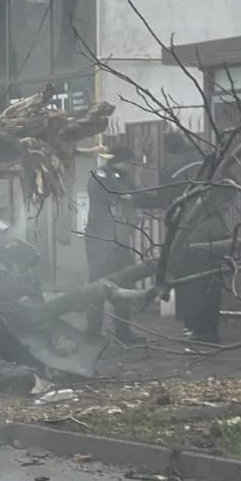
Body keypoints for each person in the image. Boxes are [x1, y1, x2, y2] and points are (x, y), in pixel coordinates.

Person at [158, 133, 227, 343]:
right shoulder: (207, 159)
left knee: (191, 282)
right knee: (214, 280)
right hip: (216, 229)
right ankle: (211, 328)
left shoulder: (171, 166)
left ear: (169, 148)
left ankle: (196, 328)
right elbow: (227, 190)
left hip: (189, 232)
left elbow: (166, 201)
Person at [85, 144, 143, 345]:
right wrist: (124, 196)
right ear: (119, 160)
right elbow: (108, 194)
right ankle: (92, 332)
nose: (129, 166)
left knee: (125, 280)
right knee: (98, 285)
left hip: (120, 240)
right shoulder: (100, 175)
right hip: (100, 241)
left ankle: (123, 331)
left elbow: (137, 196)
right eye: (127, 161)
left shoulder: (123, 177)